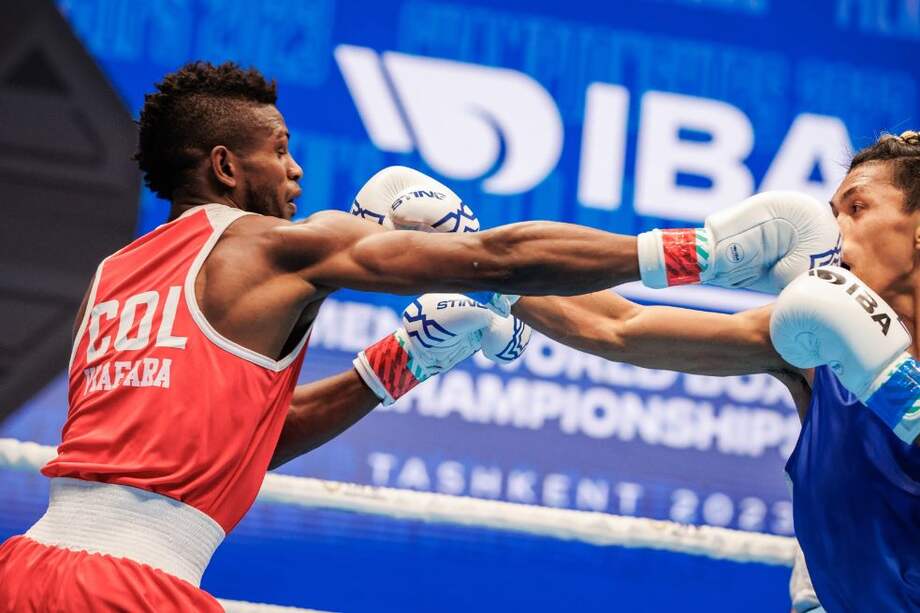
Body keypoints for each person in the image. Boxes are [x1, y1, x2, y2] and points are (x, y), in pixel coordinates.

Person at [0, 60, 832, 611]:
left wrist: (396, 364)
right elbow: (495, 259)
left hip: (28, 567)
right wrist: (698, 251)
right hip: (130, 588)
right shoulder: (273, 244)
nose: (294, 170)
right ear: (224, 166)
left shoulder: (114, 278)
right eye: (279, 149)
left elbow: (233, 443)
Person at [501, 132, 920, 610]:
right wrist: (487, 273)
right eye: (832, 213)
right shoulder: (815, 348)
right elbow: (619, 325)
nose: (835, 229)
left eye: (857, 208)